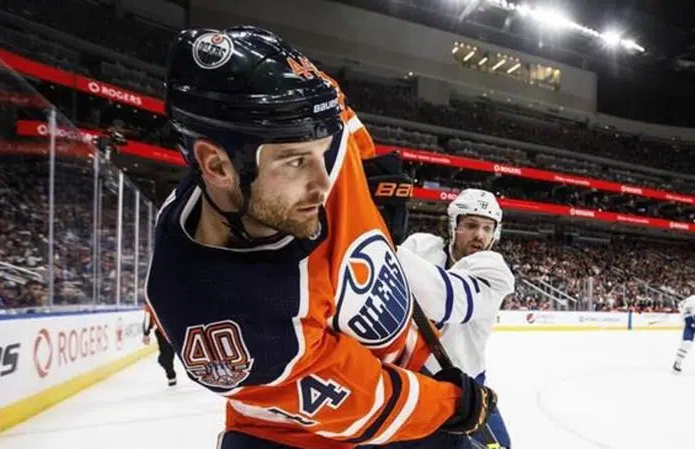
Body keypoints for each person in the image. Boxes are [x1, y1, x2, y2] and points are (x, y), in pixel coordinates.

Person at [144, 26, 496, 449]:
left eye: (323, 153)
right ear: (217, 166)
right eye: (296, 162)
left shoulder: (302, 130)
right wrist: (453, 404)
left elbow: (340, 117)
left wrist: (368, 166)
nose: (325, 182)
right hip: (308, 434)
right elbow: (365, 405)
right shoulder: (220, 315)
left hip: (410, 367)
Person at [382, 188, 515, 449]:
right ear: (453, 226)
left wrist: (385, 249)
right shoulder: (421, 246)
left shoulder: (496, 270)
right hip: (411, 377)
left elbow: (446, 301)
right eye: (471, 225)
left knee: (501, 445)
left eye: (488, 228)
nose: (480, 235)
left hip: (465, 386)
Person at [142, 305, 177, 386]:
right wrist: (146, 333)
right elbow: (147, 316)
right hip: (161, 332)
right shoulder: (151, 301)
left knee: (170, 355)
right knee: (164, 358)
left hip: (174, 329)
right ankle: (171, 374)